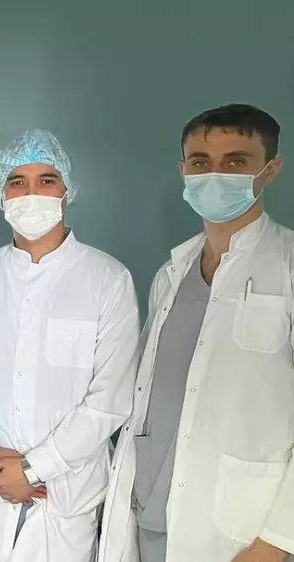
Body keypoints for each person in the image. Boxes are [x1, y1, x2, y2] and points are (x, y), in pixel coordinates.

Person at [100, 104, 294, 562]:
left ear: (271, 169)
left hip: (241, 533)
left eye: (236, 162)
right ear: (183, 171)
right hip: (150, 515)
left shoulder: (287, 264)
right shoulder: (172, 273)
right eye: (201, 162)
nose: (215, 175)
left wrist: (277, 539)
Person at [0, 130, 139, 562]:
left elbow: (109, 401)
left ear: (66, 190)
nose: (31, 193)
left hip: (64, 505)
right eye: (17, 182)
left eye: (47, 180)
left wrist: (33, 468)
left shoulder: (107, 279)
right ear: (1, 194)